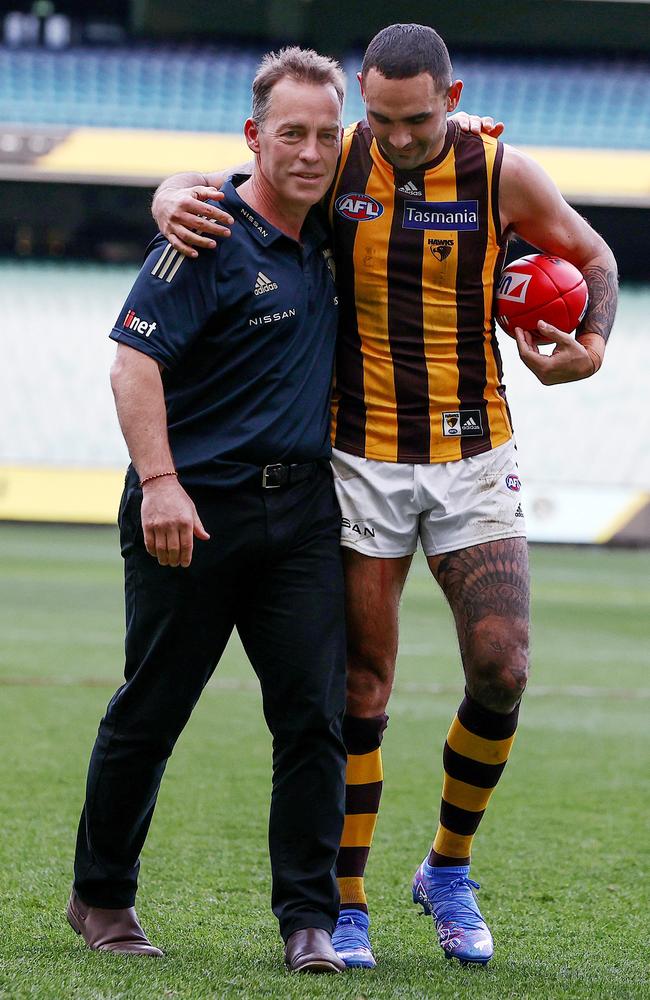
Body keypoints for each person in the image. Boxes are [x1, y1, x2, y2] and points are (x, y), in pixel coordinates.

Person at [151, 24, 618, 970]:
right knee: (361, 685)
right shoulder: (338, 156)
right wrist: (168, 190)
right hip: (358, 456)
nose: (396, 138)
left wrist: (592, 347)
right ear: (362, 98)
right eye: (381, 117)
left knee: (503, 668)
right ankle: (348, 900)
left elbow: (594, 257)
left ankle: (446, 868)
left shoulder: (499, 170)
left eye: (415, 119)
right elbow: (237, 187)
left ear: (452, 96)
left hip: (473, 451)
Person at [67, 46, 354, 975]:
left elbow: (434, 157)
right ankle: (101, 896)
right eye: (290, 134)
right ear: (254, 138)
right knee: (153, 710)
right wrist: (159, 482)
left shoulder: (339, 229)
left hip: (303, 514)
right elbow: (132, 361)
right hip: (190, 511)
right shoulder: (203, 232)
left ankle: (310, 921)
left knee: (315, 717)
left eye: (326, 133)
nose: (310, 152)